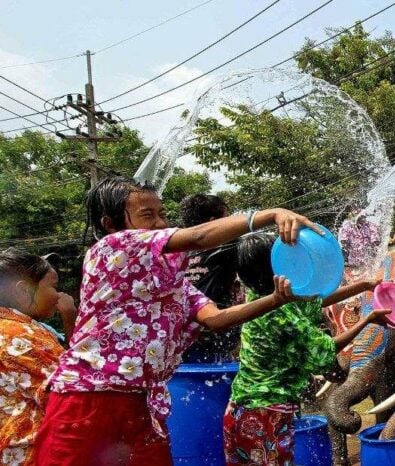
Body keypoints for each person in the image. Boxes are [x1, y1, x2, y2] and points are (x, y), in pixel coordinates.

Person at [35, 177, 321, 466]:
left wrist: (275, 299)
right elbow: (197, 237)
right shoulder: (111, 247)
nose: (160, 223)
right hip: (89, 399)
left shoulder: (173, 286)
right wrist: (270, 214)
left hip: (142, 404)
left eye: (163, 214)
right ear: (110, 224)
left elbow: (218, 319)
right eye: (148, 216)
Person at [224, 233, 391, 466]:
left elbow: (316, 300)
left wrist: (363, 286)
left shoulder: (260, 297)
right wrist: (368, 320)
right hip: (265, 413)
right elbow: (324, 351)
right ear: (273, 266)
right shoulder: (279, 314)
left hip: (242, 407)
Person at [0, 249, 75, 465]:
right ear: (23, 291)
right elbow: (71, 393)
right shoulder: (24, 336)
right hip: (31, 455)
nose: (60, 295)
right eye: (53, 286)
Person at [179, 194, 241, 363]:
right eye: (226, 220)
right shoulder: (227, 245)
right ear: (215, 223)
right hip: (217, 330)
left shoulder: (176, 250)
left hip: (180, 334)